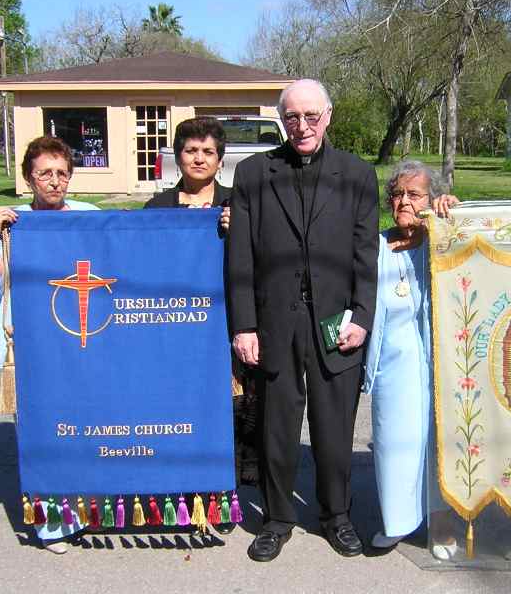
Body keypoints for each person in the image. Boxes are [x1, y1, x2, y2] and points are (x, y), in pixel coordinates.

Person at [227, 79, 379, 562]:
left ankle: (337, 515)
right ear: (281, 119)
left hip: (336, 322)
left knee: (334, 431)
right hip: (275, 323)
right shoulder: (253, 173)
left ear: (328, 116)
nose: (302, 126)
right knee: (276, 429)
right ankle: (276, 519)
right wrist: (244, 325)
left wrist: (362, 316)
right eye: (292, 117)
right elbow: (240, 256)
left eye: (311, 116)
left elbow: (365, 255)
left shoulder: (357, 174)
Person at [144, 117, 259, 534]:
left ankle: (220, 498)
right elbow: (140, 263)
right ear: (177, 156)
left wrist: (241, 231)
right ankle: (179, 493)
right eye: (191, 150)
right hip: (174, 328)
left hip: (225, 323)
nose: (199, 158)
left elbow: (264, 258)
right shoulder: (157, 209)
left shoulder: (238, 204)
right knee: (180, 412)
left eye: (208, 151)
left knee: (226, 413)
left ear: (220, 159)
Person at [0, 135, 98, 554]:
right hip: (30, 342)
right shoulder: (14, 222)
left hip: (79, 341)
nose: (54, 181)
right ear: (29, 178)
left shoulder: (88, 216)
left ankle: (83, 510)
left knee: (81, 430)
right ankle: (51, 524)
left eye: (62, 173)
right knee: (43, 436)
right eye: (45, 173)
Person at [362, 160, 460, 560]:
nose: (403, 201)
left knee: (440, 441)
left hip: (442, 361)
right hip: (393, 362)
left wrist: (456, 219)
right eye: (397, 194)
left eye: (414, 194)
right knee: (394, 443)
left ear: (433, 200)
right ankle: (398, 522)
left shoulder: (445, 239)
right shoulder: (375, 245)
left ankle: (442, 525)